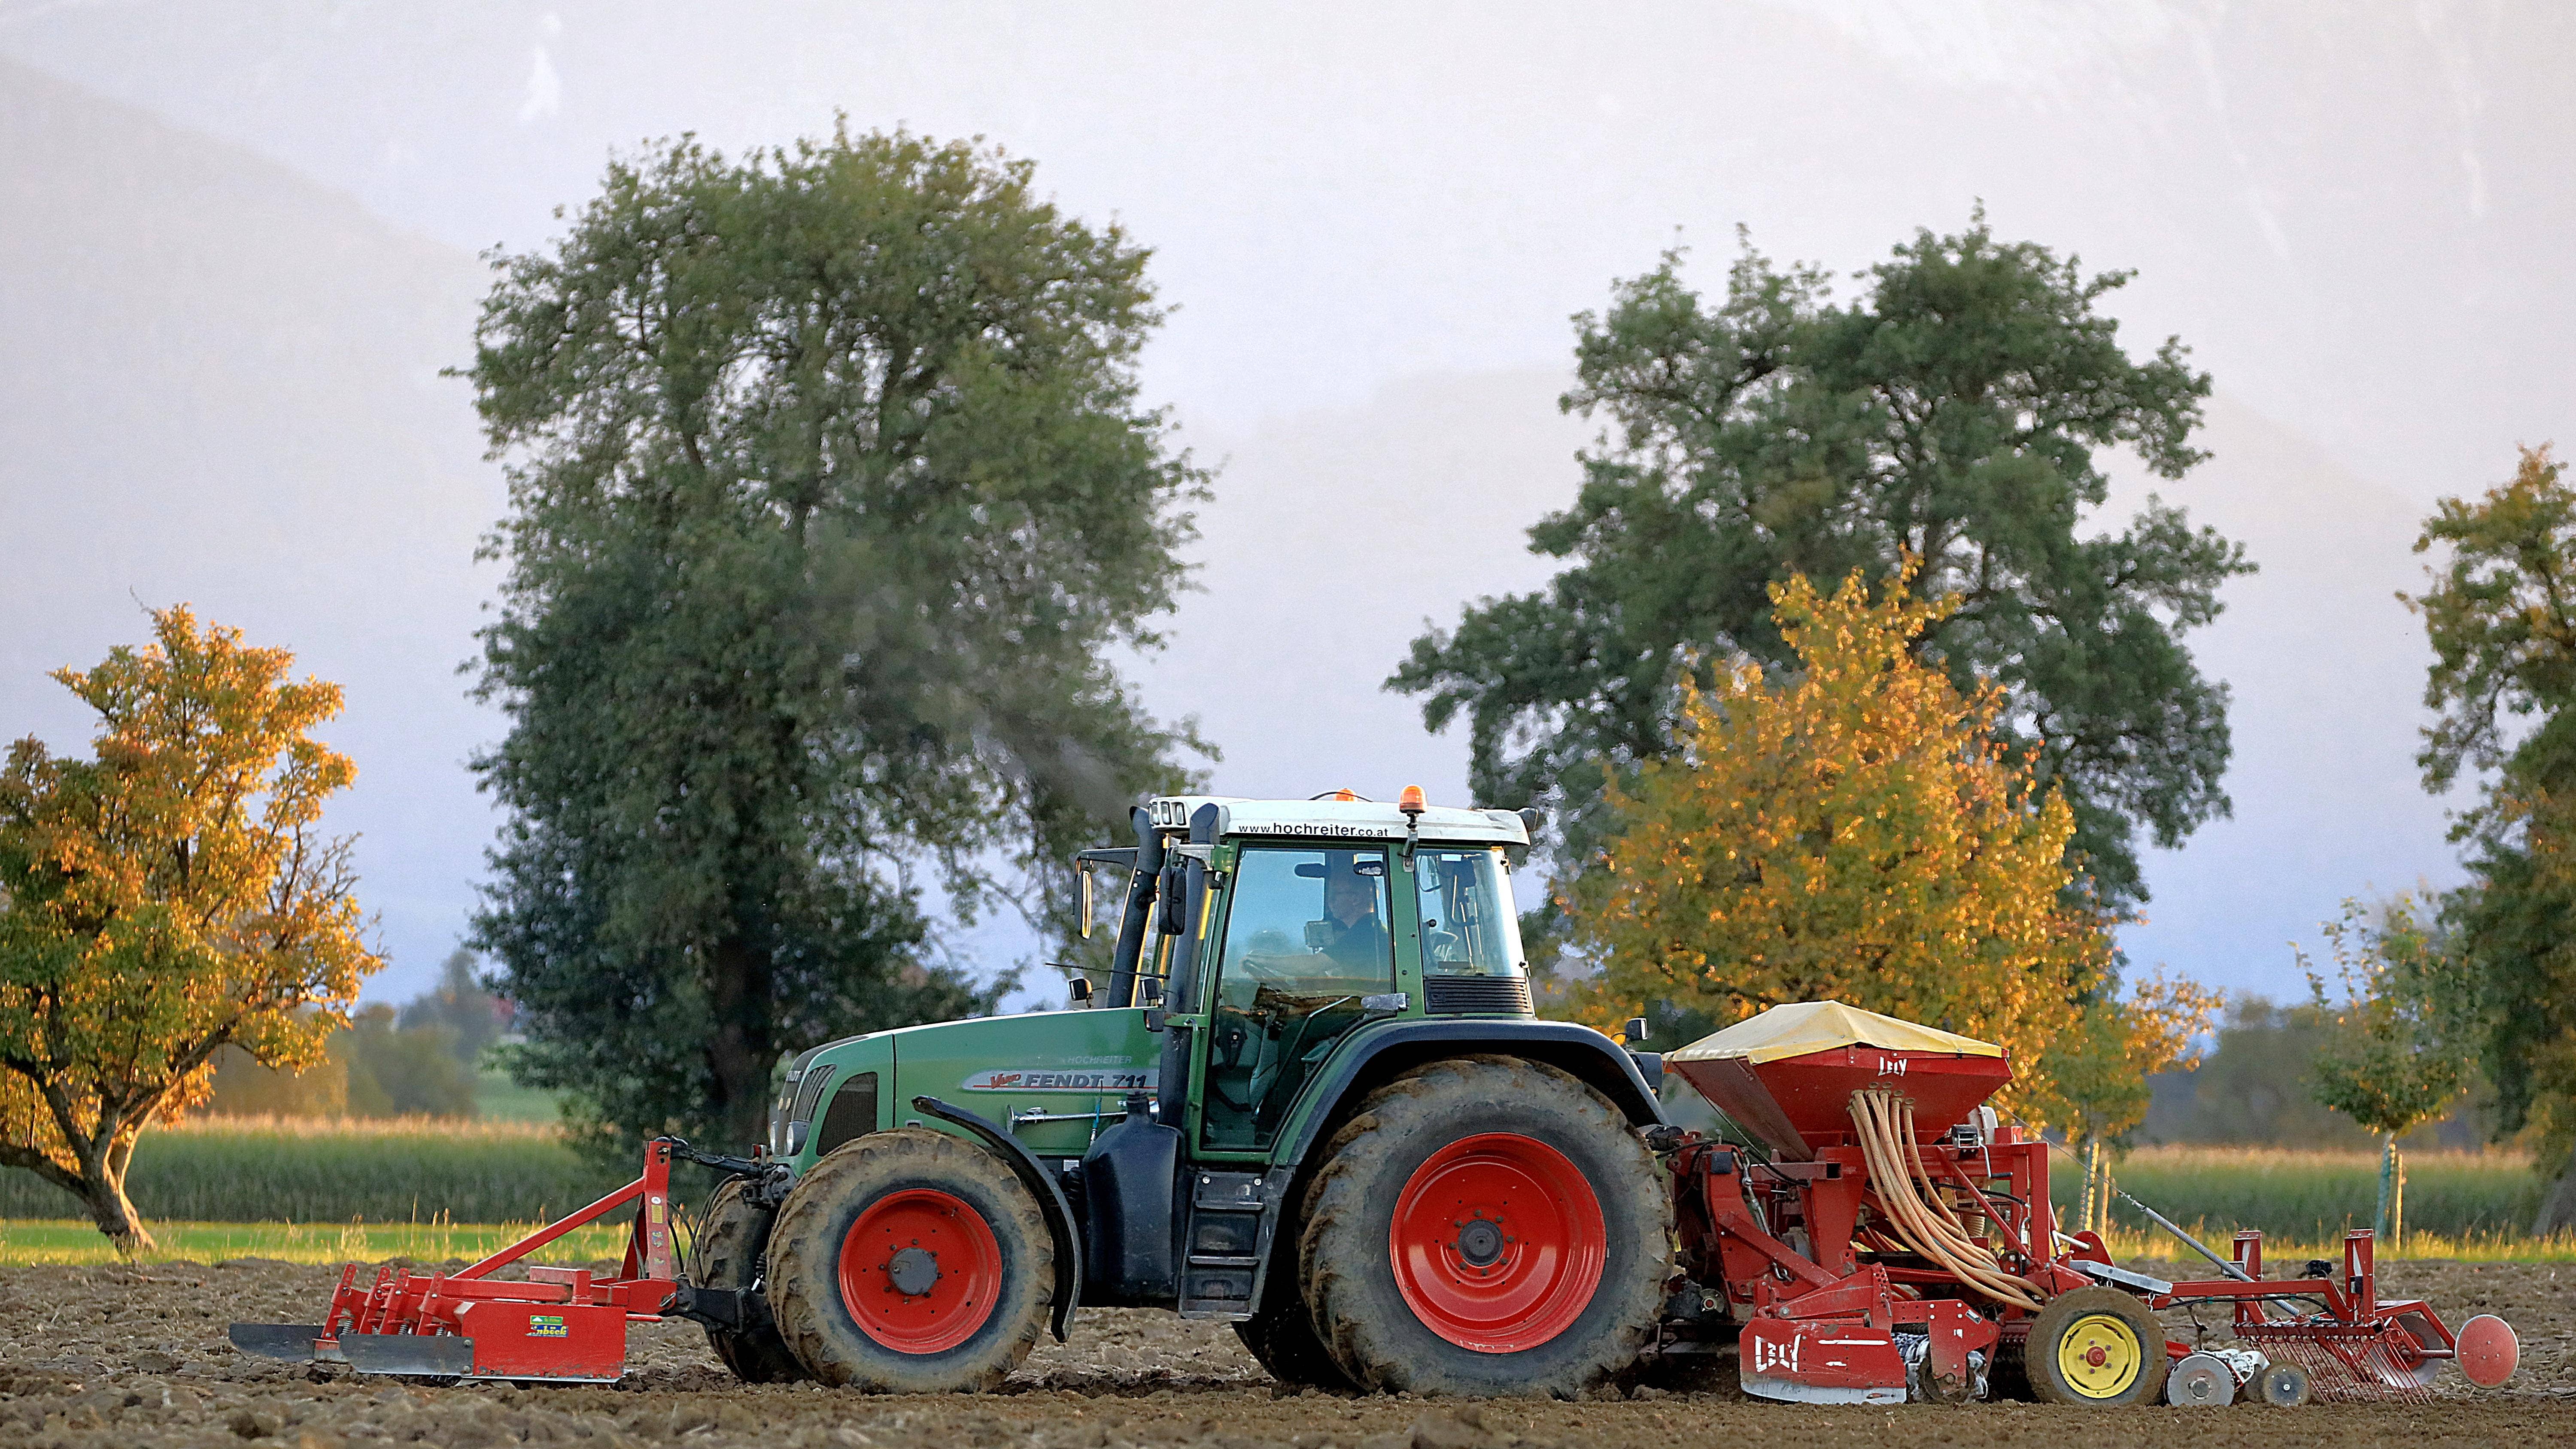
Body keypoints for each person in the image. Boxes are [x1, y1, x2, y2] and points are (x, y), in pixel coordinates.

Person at [1318, 865, 1389, 969]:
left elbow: (1313, 966)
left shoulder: (1364, 934)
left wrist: (1284, 961)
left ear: (1356, 899)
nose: (1330, 901)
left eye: (1335, 894)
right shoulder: (1373, 929)